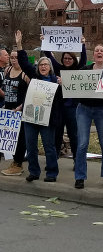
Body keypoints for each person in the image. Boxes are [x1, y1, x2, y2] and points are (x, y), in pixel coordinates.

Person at [15, 30, 62, 183]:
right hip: (30, 118)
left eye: (46, 65)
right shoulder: (34, 77)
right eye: (41, 64)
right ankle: (34, 172)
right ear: (38, 67)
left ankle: (52, 173)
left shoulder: (56, 81)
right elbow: (23, 62)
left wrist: (62, 84)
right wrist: (19, 44)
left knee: (49, 147)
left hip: (47, 120)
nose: (43, 67)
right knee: (31, 146)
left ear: (50, 67)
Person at [74, 43, 103, 190]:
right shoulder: (85, 70)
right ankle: (79, 177)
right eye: (97, 50)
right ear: (93, 55)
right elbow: (76, 85)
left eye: (102, 50)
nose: (99, 52)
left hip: (102, 110)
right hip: (84, 110)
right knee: (82, 144)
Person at [41, 40, 87, 163]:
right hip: (59, 107)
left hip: (72, 108)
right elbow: (49, 56)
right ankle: (54, 159)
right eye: (65, 58)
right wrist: (44, 42)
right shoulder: (58, 68)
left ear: (73, 59)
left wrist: (83, 45)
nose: (67, 60)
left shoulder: (78, 69)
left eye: (69, 58)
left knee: (74, 135)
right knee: (57, 133)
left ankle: (77, 160)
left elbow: (83, 59)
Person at [0, 49, 30, 176]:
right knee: (7, 137)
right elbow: (4, 88)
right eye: (11, 57)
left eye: (16, 57)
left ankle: (18, 164)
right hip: (8, 110)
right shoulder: (7, 70)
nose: (13, 59)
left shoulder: (25, 74)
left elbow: (31, 93)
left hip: (19, 110)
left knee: (20, 138)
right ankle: (13, 162)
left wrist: (21, 106)